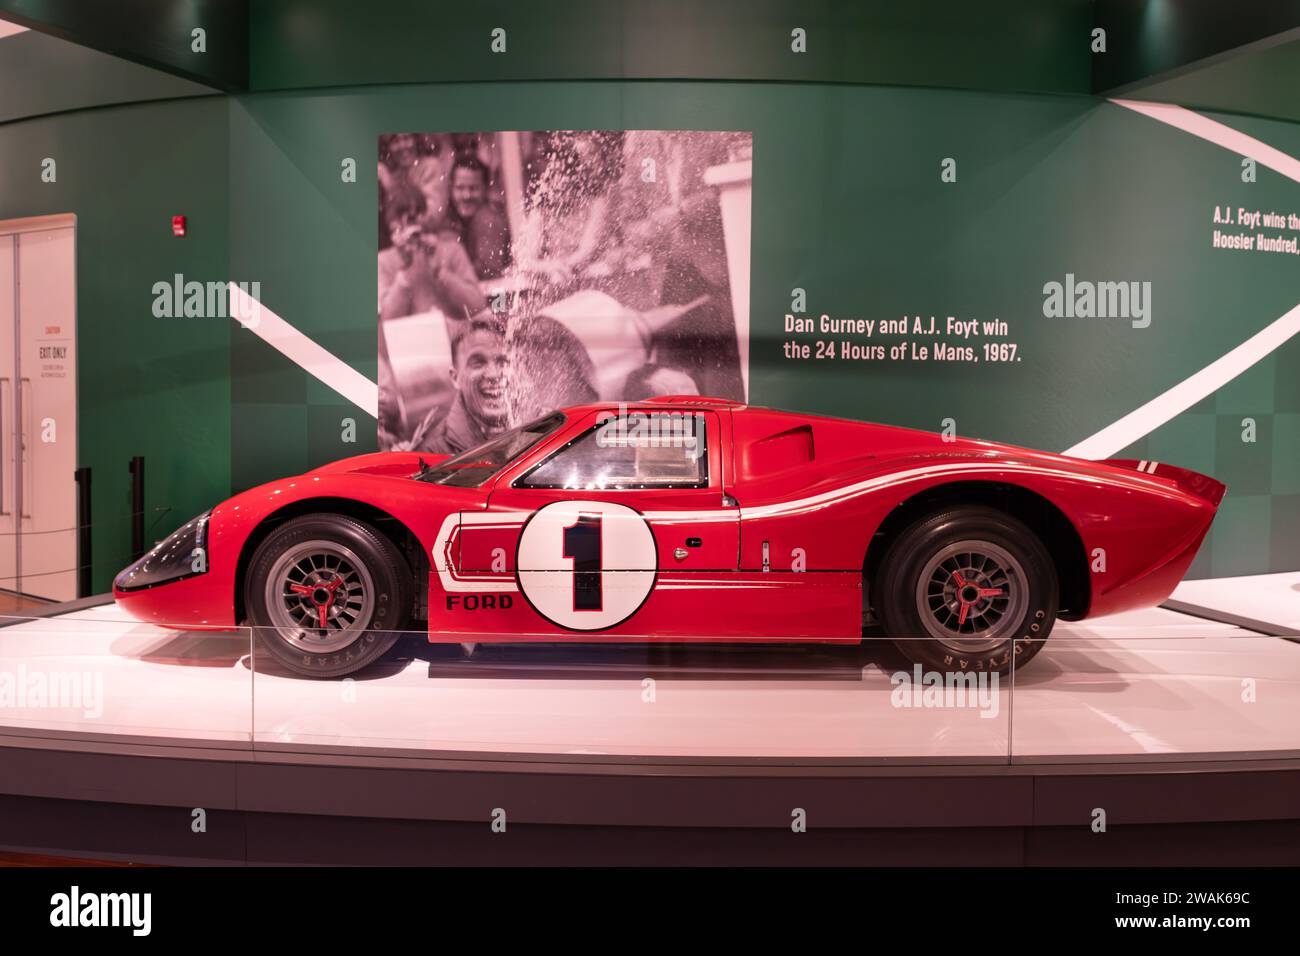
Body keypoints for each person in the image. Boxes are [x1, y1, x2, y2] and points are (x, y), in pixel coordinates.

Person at [378, 183, 485, 322]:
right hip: (410, 340)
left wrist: (439, 271)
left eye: (416, 215)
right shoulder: (383, 261)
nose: (411, 225)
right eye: (403, 219)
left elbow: (477, 306)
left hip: (454, 336)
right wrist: (405, 273)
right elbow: (387, 319)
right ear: (392, 224)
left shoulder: (451, 250)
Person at [408, 318, 511, 454]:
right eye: (478, 363)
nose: (494, 374)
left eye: (502, 362)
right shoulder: (431, 454)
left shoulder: (537, 422)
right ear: (455, 377)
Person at [441, 155, 511, 280]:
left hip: (498, 296)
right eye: (460, 188)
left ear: (486, 189)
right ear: (451, 189)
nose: (466, 195)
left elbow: (488, 271)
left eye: (473, 188)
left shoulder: (488, 220)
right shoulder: (454, 219)